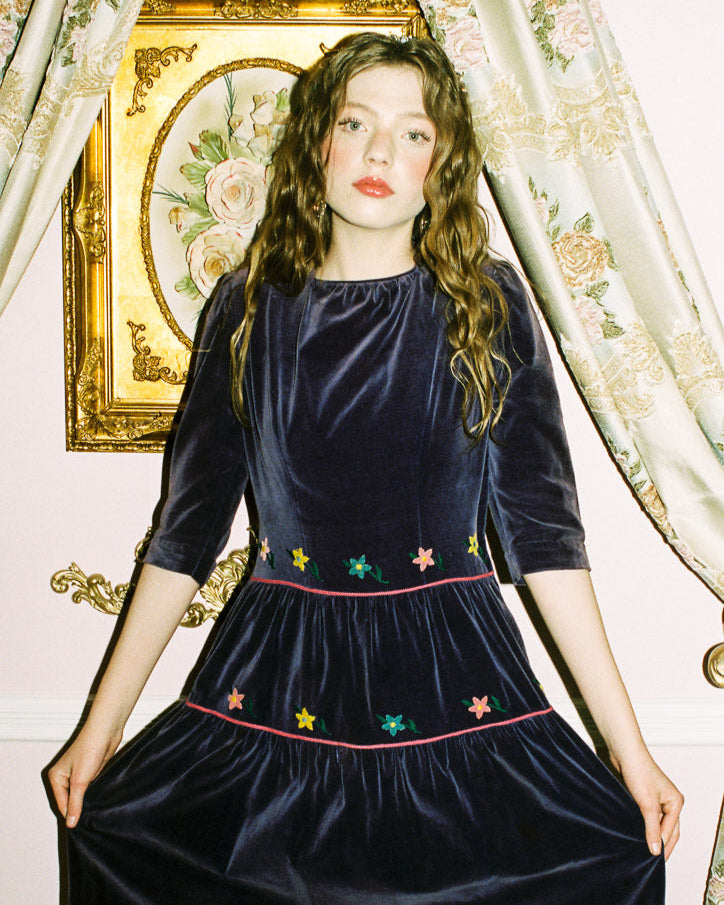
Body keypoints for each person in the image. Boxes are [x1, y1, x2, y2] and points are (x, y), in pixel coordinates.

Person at [48, 31, 683, 904]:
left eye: (415, 133)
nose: (382, 152)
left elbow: (545, 541)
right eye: (358, 123)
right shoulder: (245, 307)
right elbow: (185, 535)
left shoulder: (485, 304)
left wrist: (629, 751)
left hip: (454, 679)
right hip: (276, 682)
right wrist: (98, 729)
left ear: (443, 161)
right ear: (320, 142)